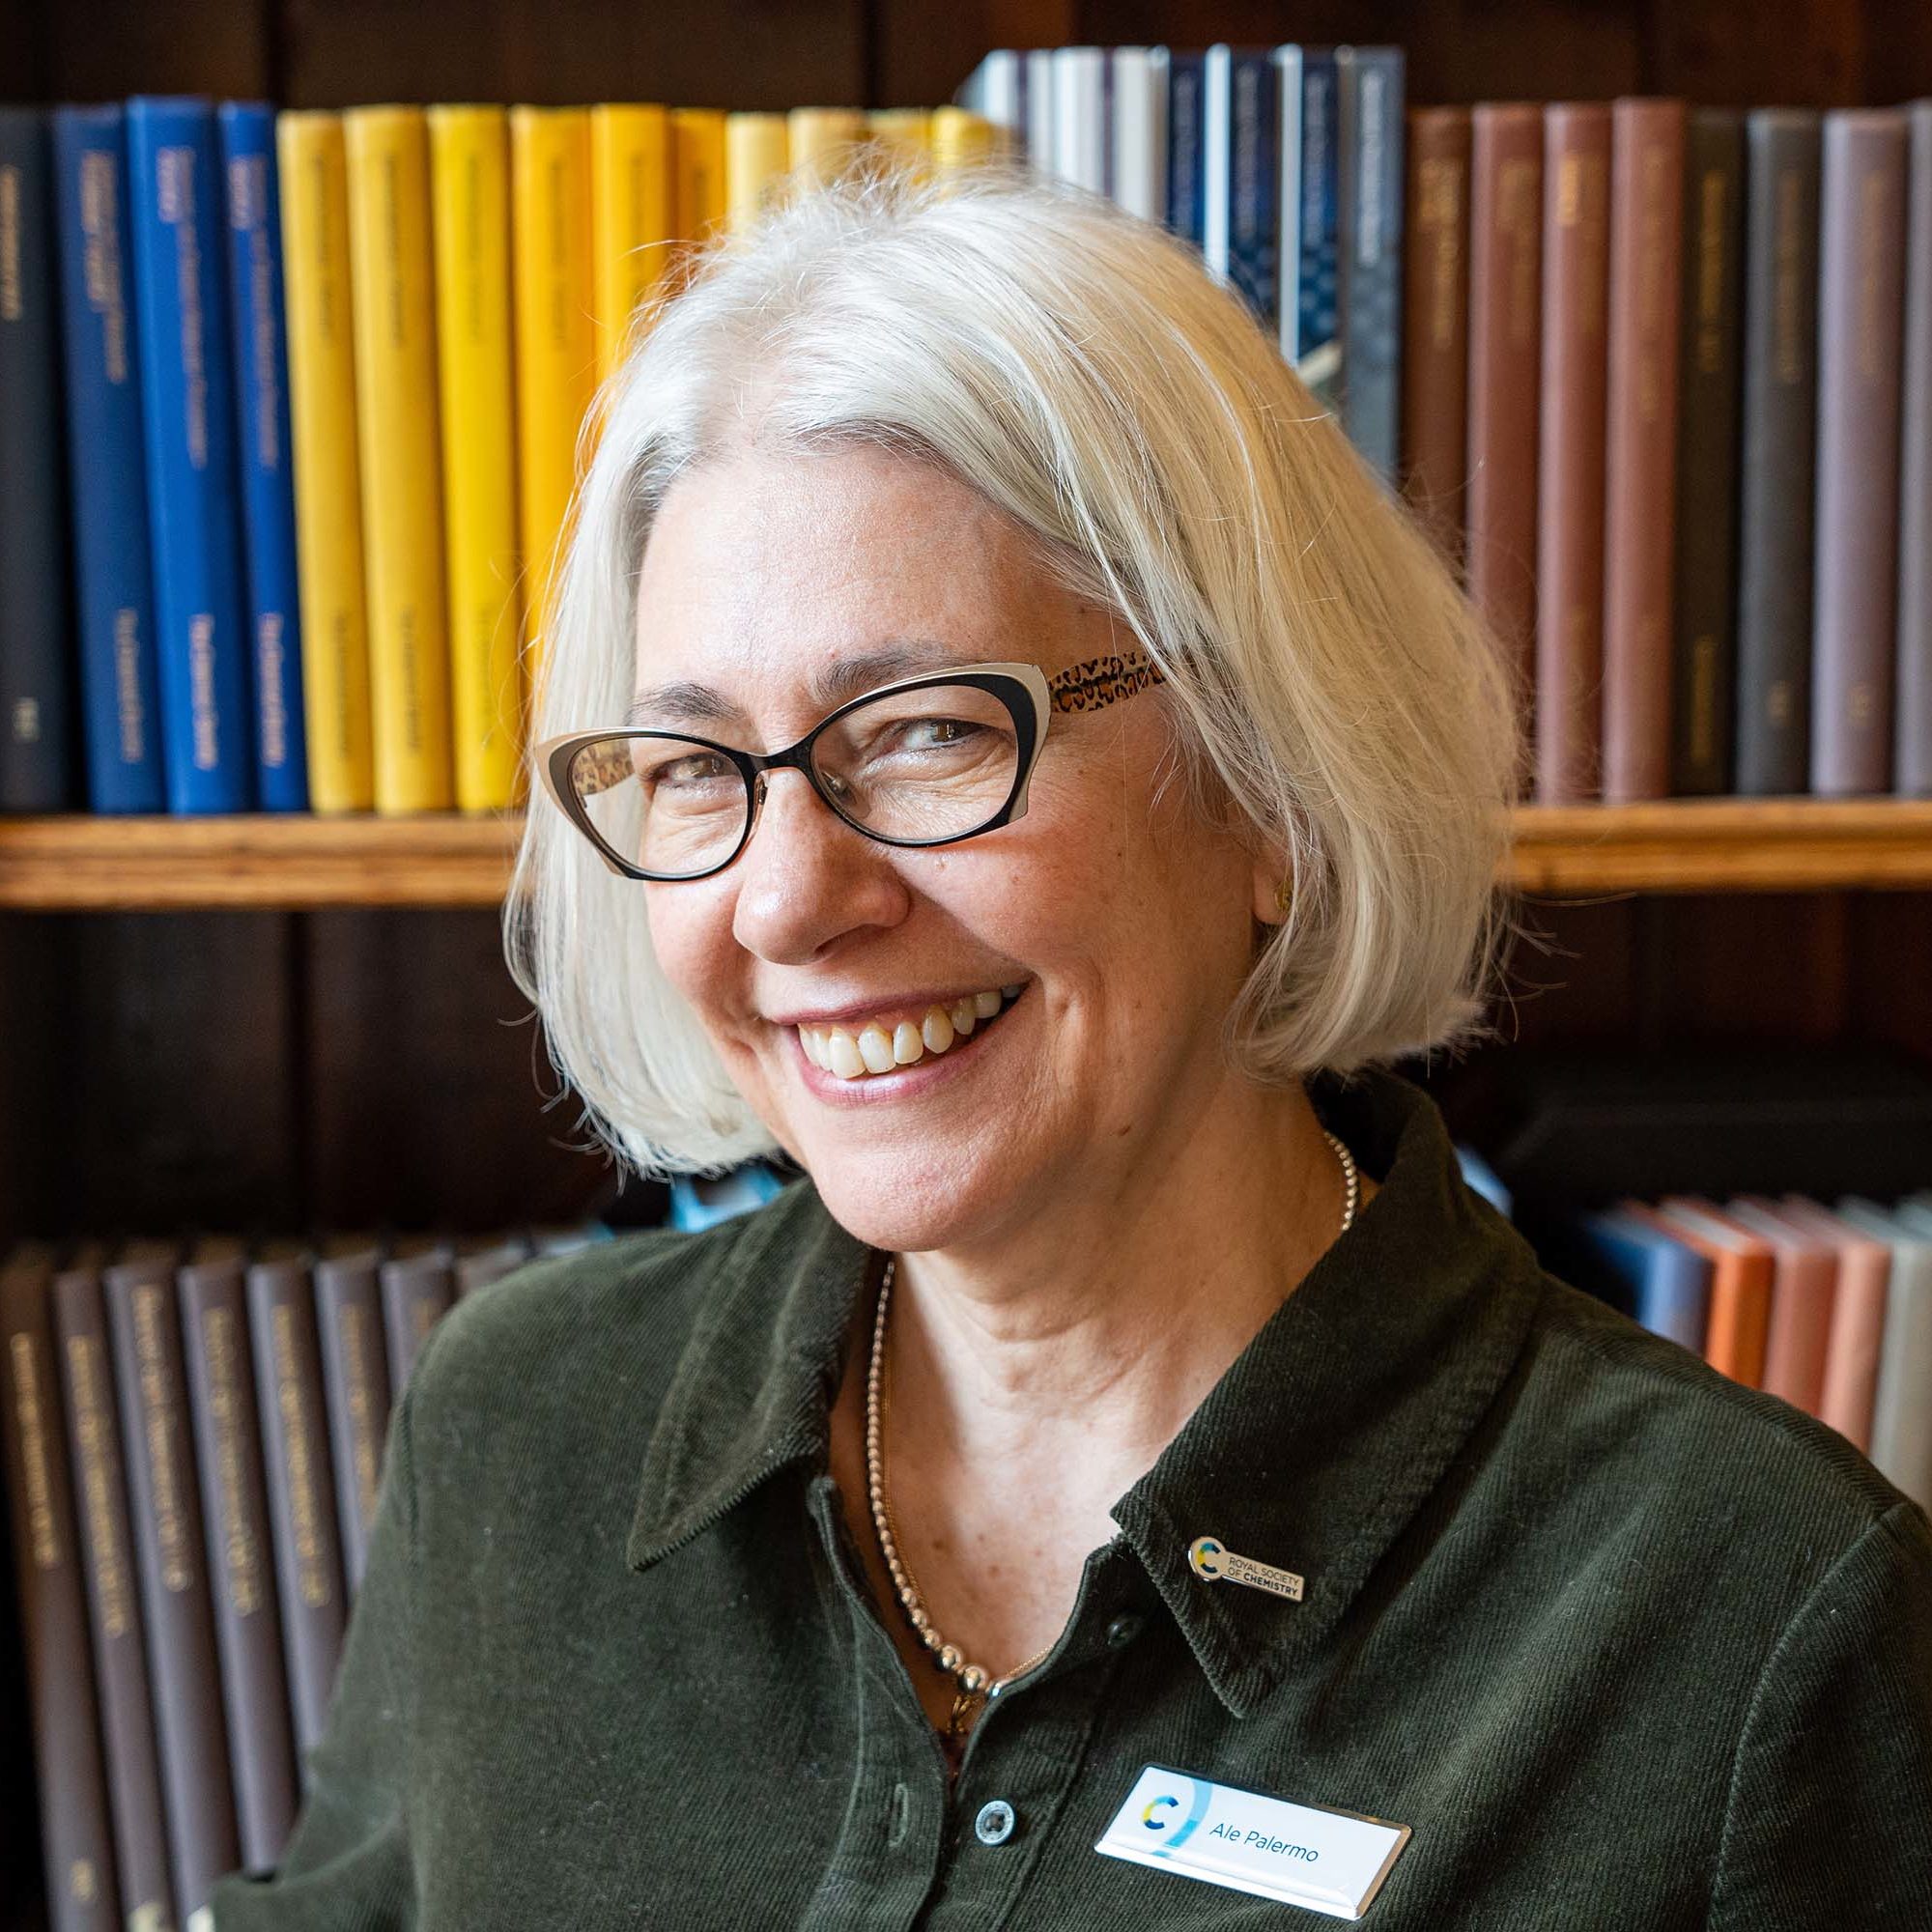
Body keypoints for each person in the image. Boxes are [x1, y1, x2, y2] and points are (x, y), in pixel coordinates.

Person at [208, 160, 1932, 1929]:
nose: (789, 901)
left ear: (1273, 777)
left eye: (933, 734)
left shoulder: (1753, 1627)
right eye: (694, 769)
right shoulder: (526, 1427)